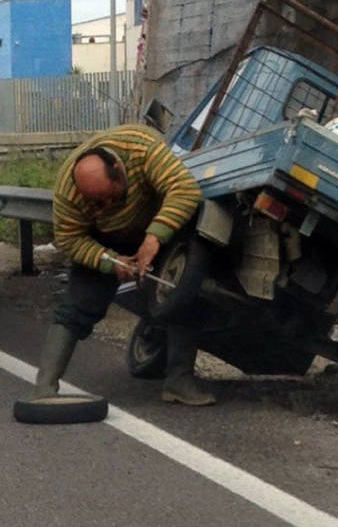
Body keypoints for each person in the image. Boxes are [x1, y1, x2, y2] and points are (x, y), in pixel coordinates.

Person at [34, 124, 215, 406]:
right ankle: (45, 386)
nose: (105, 206)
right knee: (77, 305)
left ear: (120, 171)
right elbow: (69, 239)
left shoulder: (141, 147)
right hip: (105, 241)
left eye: (110, 198)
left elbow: (185, 189)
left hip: (157, 226)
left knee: (182, 292)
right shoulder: (68, 191)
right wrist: (108, 260)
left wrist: (154, 237)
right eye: (95, 203)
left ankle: (178, 382)